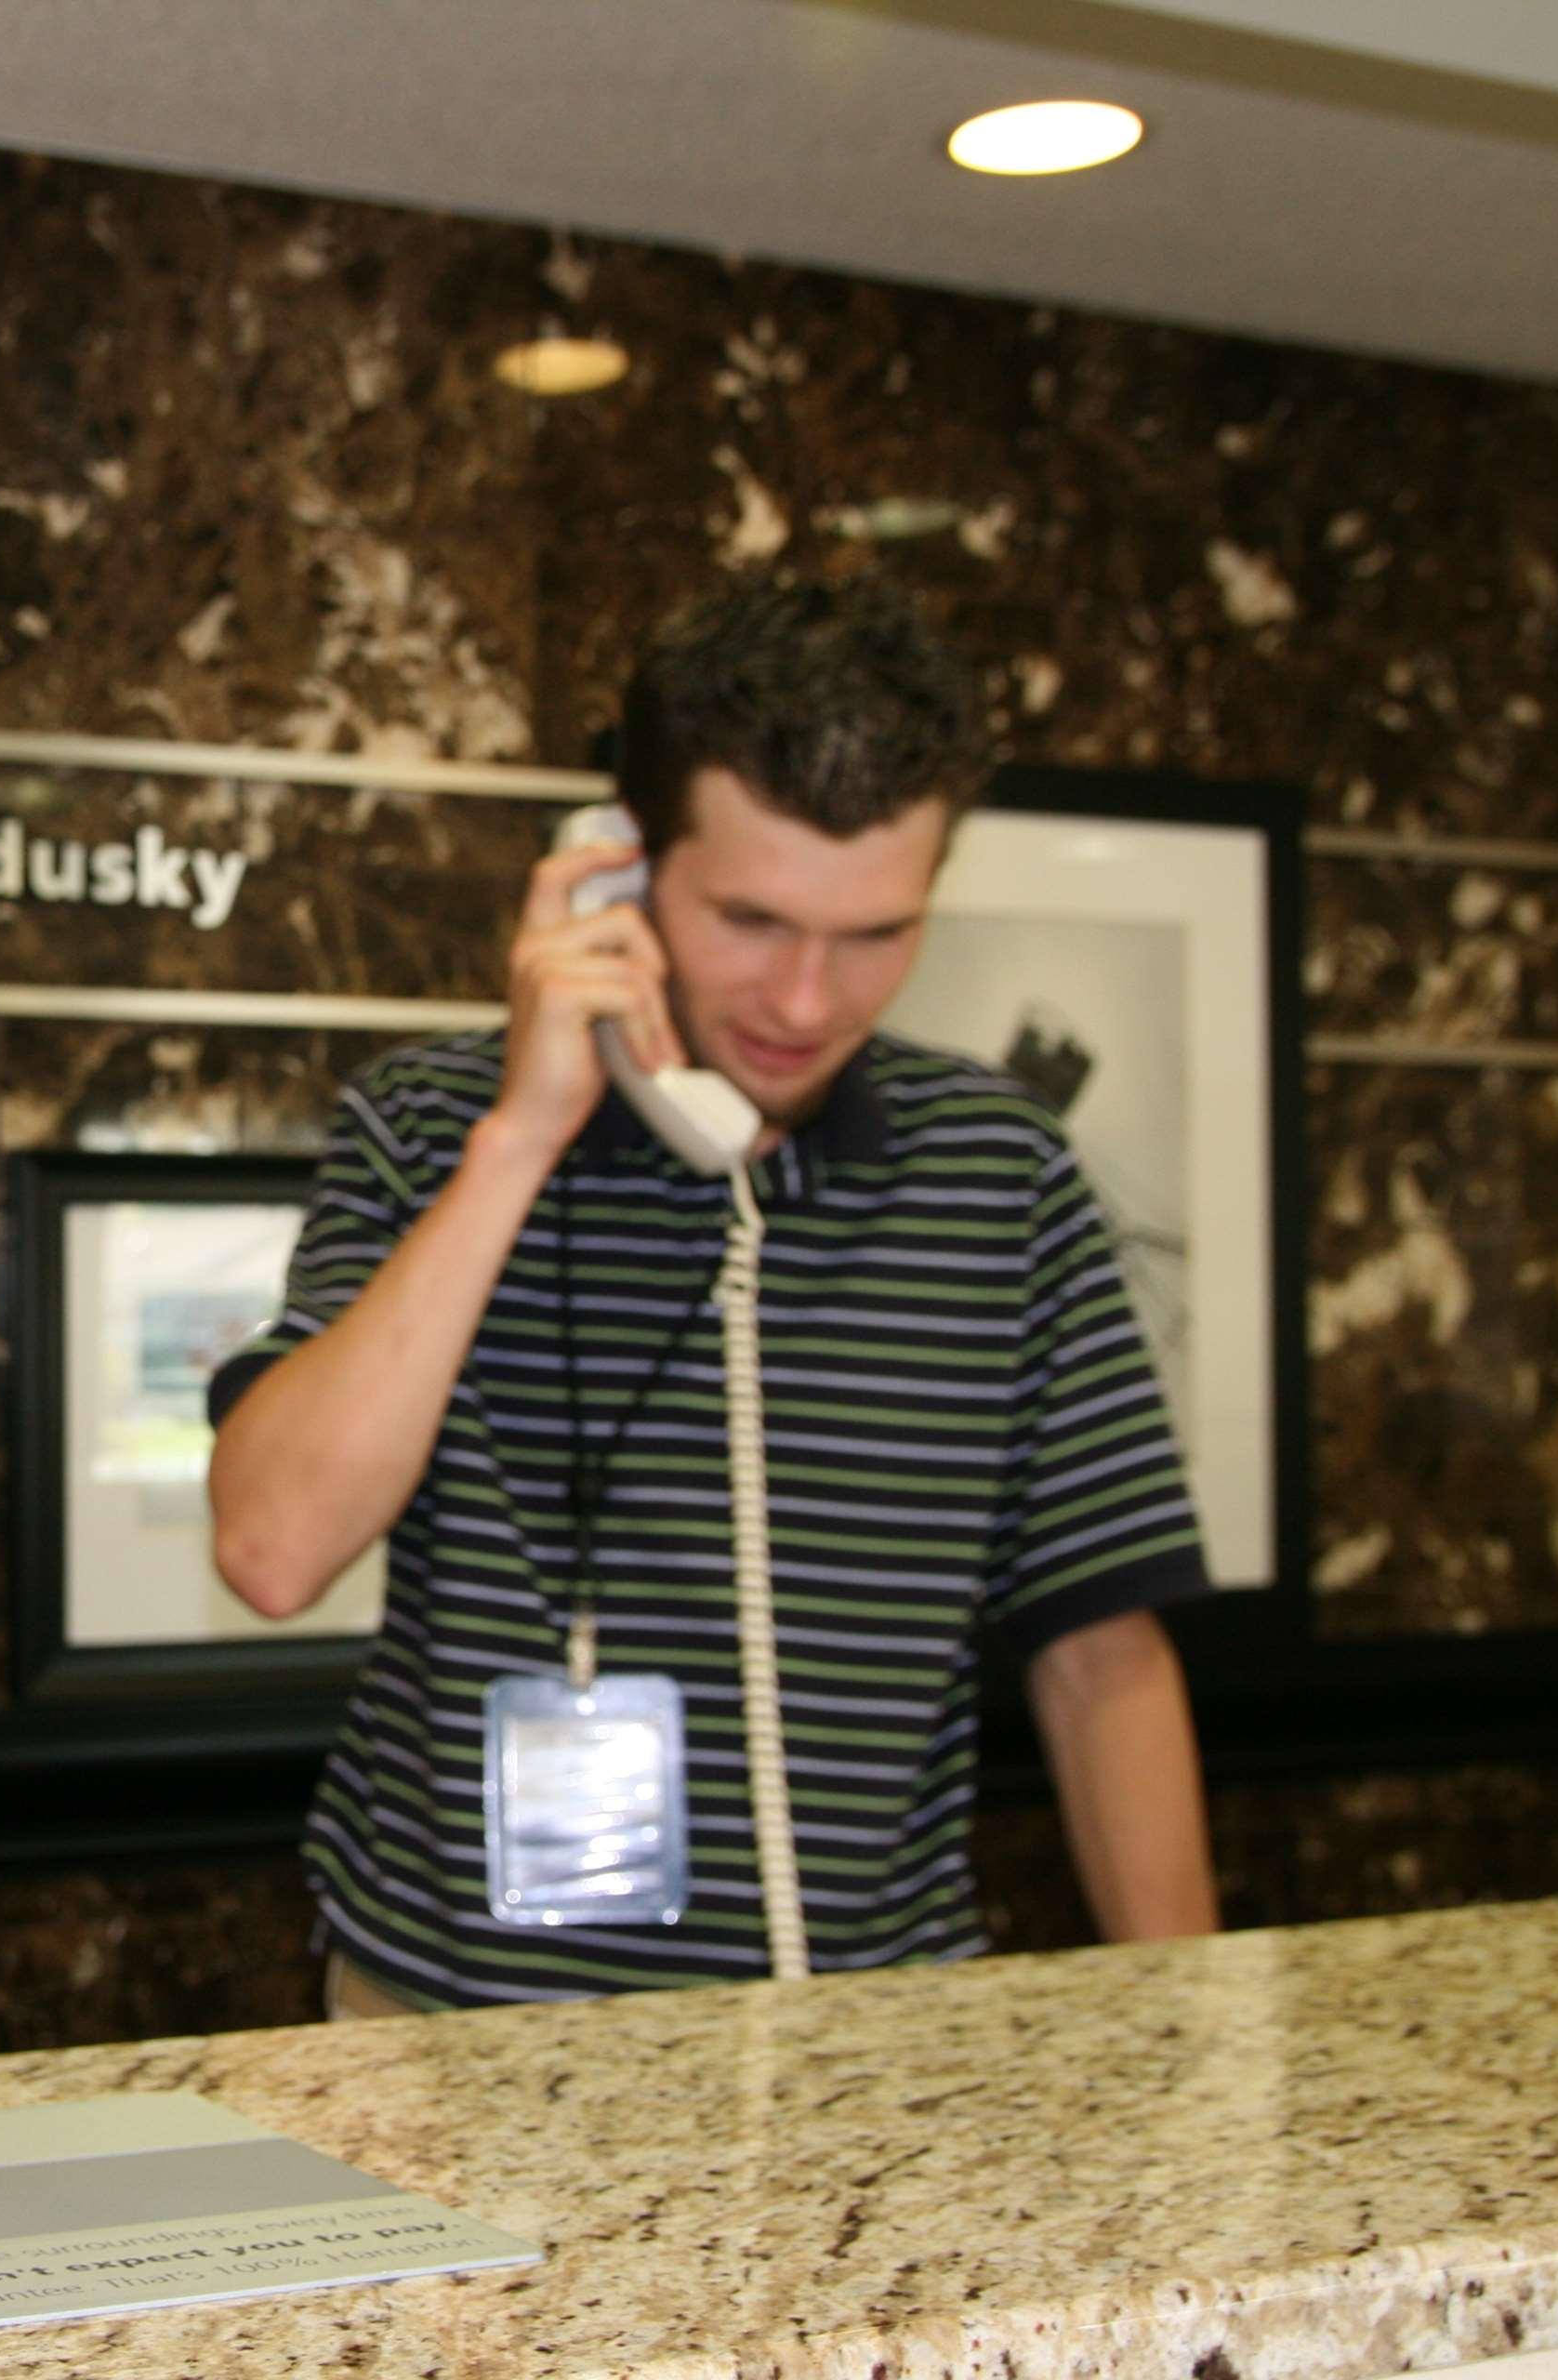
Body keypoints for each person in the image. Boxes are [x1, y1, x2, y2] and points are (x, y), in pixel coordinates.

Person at [205, 575, 1217, 2016]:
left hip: (873, 2039)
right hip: (450, 2036)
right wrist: (523, 1140)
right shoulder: (429, 1131)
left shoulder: (1005, 1179)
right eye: (750, 919)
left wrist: (1203, 2061)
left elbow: (1103, 1654)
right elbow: (273, 1545)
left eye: (877, 934)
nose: (806, 1001)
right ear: (618, 870)